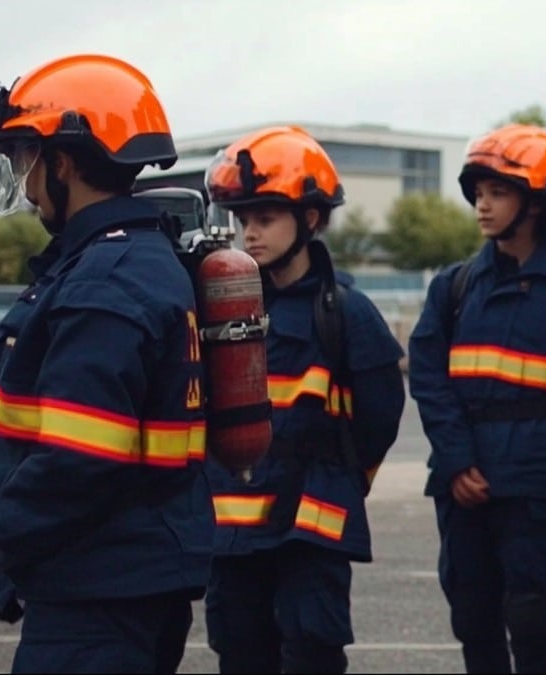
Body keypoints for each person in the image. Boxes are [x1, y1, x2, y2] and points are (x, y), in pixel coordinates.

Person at [0, 54, 210, 672]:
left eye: (26, 158)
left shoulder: (107, 278)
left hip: (97, 593)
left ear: (64, 162)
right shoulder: (122, 262)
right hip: (115, 578)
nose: (24, 181)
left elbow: (81, 456)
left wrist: (11, 530)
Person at [202, 125, 406, 673]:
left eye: (265, 218)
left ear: (310, 219)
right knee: (240, 653)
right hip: (235, 532)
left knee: (311, 651)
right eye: (243, 220)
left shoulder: (346, 312)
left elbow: (380, 415)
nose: (250, 234)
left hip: (308, 529)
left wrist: (339, 477)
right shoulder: (222, 310)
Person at [407, 124, 546, 673]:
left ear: (535, 204)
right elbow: (428, 378)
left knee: (529, 609)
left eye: (498, 193)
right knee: (471, 611)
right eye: (479, 194)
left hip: (535, 477)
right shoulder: (454, 286)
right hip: (462, 475)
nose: (482, 207)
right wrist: (456, 459)